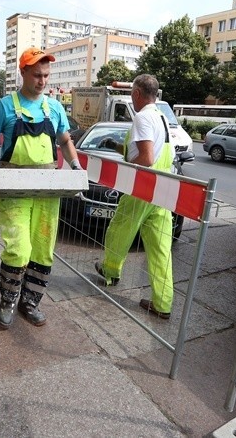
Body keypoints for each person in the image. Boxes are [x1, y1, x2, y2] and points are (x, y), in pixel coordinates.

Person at [0, 47, 82, 330]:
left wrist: (75, 167)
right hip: (14, 191)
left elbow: (64, 141)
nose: (43, 81)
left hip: (47, 190)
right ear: (22, 72)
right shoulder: (5, 106)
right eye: (37, 75)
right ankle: (8, 300)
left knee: (43, 250)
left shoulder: (55, 107)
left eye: (46, 75)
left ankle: (30, 301)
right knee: (19, 249)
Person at [95, 74, 175, 320]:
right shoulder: (162, 117)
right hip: (163, 189)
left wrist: (127, 163)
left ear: (138, 94)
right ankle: (163, 304)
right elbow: (156, 152)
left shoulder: (142, 117)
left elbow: (146, 158)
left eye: (132, 94)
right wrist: (119, 148)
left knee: (120, 229)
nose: (132, 98)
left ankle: (110, 271)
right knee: (160, 249)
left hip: (142, 186)